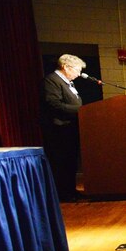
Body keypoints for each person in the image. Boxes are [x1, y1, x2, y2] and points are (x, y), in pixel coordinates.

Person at [41, 54, 87, 202]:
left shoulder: (68, 83)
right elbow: (53, 104)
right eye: (77, 70)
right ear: (66, 67)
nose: (79, 74)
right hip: (59, 130)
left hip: (70, 129)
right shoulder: (52, 81)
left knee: (71, 162)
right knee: (62, 163)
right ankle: (63, 194)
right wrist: (81, 110)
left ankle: (70, 191)